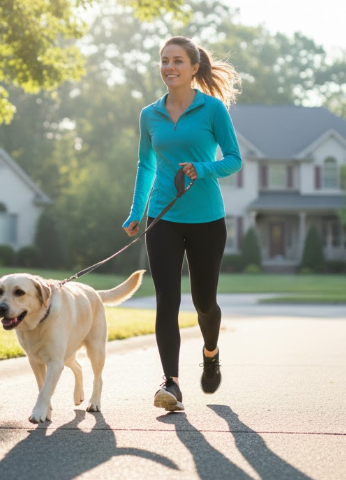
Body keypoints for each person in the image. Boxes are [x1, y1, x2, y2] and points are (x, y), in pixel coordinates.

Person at [123, 35, 242, 412]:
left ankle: (210, 352)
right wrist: (136, 212)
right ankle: (171, 383)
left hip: (207, 219)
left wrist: (202, 168)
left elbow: (234, 159)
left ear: (194, 67)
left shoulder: (212, 110)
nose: (169, 67)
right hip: (163, 217)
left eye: (177, 61)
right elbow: (146, 165)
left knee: (204, 302)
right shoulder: (149, 115)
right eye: (164, 61)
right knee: (166, 301)